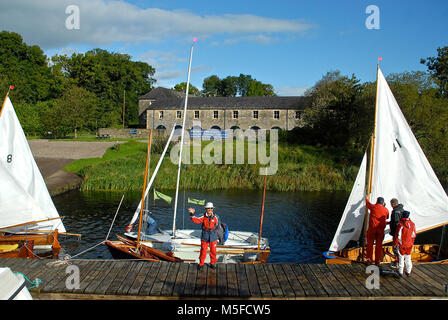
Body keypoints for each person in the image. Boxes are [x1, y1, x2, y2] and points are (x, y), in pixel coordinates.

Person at [189, 202, 219, 270]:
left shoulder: (216, 217)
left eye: (211, 208)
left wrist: (215, 233)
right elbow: (195, 219)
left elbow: (218, 226)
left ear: (213, 209)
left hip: (213, 236)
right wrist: (192, 213)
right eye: (208, 208)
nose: (210, 209)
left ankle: (212, 263)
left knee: (213, 251)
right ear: (206, 209)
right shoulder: (203, 216)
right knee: (203, 251)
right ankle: (201, 263)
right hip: (205, 235)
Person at [365, 196, 390, 265]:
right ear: (383, 203)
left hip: (372, 229)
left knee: (370, 244)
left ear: (377, 202)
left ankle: (369, 259)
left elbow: (367, 203)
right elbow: (387, 217)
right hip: (380, 230)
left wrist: (366, 197)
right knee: (379, 245)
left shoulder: (373, 207)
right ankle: (377, 261)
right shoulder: (386, 210)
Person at [393, 211, 416, 276]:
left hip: (402, 244)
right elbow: (413, 235)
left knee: (401, 258)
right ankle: (408, 271)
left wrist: (395, 244)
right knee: (408, 257)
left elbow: (398, 236)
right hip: (409, 244)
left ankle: (400, 272)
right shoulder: (412, 224)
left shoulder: (401, 224)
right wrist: (411, 243)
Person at [388, 198, 404, 267]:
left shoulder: (395, 211)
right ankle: (400, 261)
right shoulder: (402, 209)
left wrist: (394, 232)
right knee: (400, 247)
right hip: (402, 232)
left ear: (393, 204)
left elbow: (396, 223)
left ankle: (397, 262)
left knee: (395, 247)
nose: (391, 206)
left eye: (391, 204)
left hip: (396, 233)